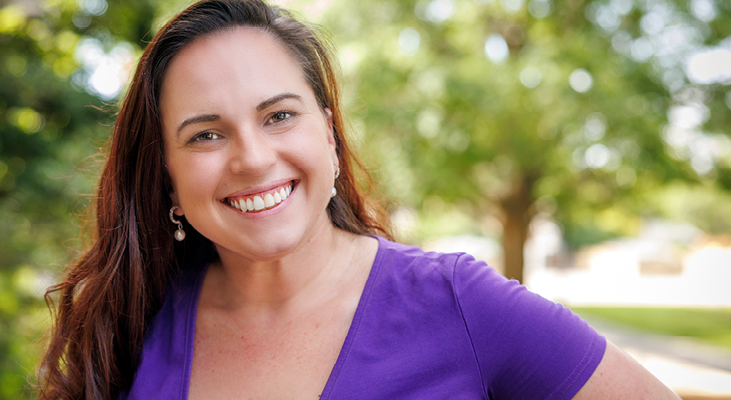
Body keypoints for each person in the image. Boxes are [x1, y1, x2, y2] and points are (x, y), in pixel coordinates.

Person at [38, 0, 681, 398]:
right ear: (167, 181)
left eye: (279, 116)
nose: (253, 158)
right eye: (206, 134)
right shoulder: (134, 320)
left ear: (329, 134)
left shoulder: (459, 304)